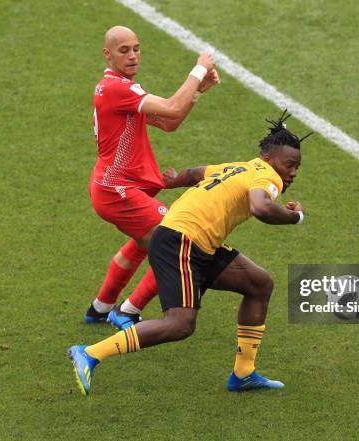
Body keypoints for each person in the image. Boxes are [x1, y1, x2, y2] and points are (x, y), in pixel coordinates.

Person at [69, 111, 311, 394]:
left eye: (297, 166)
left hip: (194, 241)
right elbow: (260, 207)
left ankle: (244, 374)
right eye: (290, 164)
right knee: (180, 324)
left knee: (259, 283)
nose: (292, 172)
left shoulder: (240, 167)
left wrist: (173, 181)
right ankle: (89, 353)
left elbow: (196, 173)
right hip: (182, 242)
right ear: (270, 160)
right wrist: (295, 217)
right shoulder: (269, 177)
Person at [85, 25, 220, 326]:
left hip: (116, 186)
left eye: (136, 49)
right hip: (116, 189)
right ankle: (128, 310)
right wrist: (198, 70)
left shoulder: (120, 88)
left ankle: (101, 306)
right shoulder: (119, 89)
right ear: (107, 54)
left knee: (145, 242)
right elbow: (172, 108)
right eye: (124, 51)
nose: (133, 56)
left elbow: (169, 122)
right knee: (179, 240)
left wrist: (196, 91)